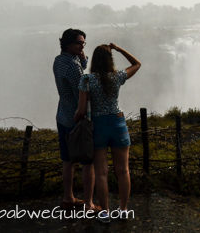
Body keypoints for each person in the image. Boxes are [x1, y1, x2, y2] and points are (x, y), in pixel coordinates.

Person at [74, 43, 141, 223]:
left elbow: (81, 110)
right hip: (118, 123)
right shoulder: (117, 76)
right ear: (110, 60)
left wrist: (74, 120)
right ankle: (124, 209)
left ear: (94, 60)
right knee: (123, 170)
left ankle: (105, 212)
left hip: (98, 126)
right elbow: (137, 64)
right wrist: (119, 49)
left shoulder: (86, 80)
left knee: (101, 173)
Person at [53, 28, 98, 212]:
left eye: (84, 43)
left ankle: (68, 198)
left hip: (62, 116)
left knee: (68, 161)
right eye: (79, 43)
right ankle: (89, 204)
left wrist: (81, 52)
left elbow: (83, 64)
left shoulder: (59, 60)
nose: (82, 46)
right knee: (88, 162)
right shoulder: (73, 66)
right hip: (77, 120)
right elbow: (83, 91)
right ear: (67, 44)